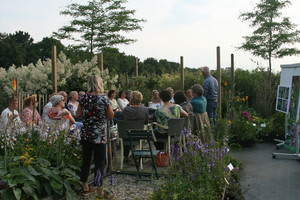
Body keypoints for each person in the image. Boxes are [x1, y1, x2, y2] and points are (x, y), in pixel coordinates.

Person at [76, 75, 114, 195]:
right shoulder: (104, 99)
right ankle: (99, 189)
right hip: (99, 135)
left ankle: (85, 185)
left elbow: (78, 114)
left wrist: (88, 116)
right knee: (99, 161)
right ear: (100, 84)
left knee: (86, 159)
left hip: (86, 133)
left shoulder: (84, 98)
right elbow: (111, 115)